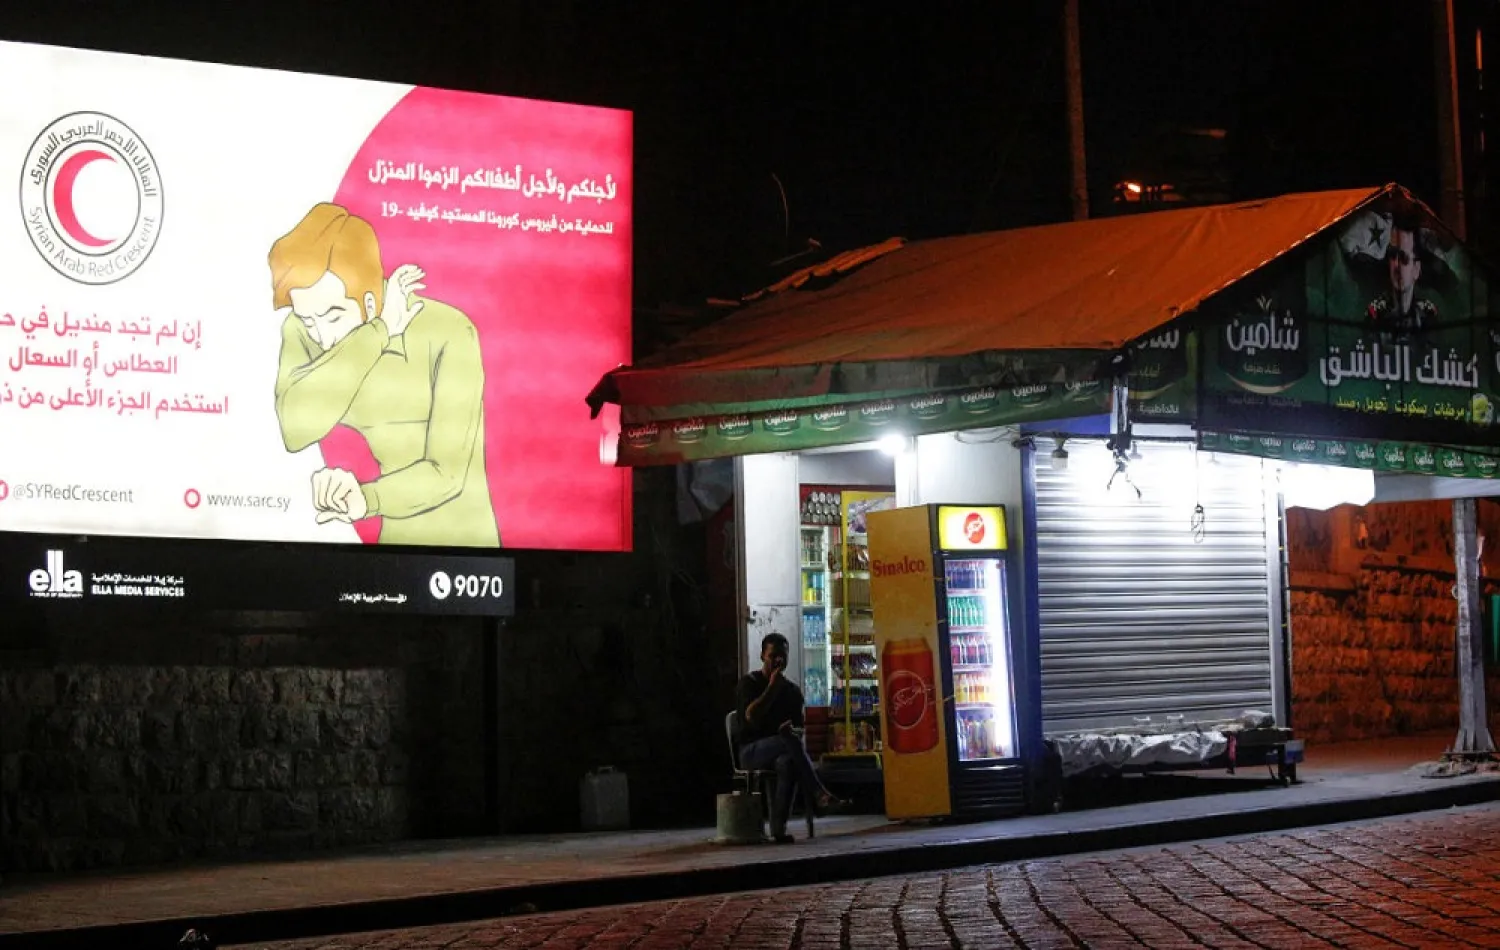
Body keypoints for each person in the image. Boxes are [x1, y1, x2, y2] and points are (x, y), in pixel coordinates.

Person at [267, 203, 499, 546]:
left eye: (333, 317)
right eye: (309, 320)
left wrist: (365, 499)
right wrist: (376, 334)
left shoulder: (449, 332)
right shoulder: (303, 326)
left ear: (374, 302)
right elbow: (295, 429)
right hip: (390, 548)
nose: (322, 337)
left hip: (467, 547)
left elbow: (446, 473)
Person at [735, 632, 845, 842]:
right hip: (751, 751)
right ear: (762, 656)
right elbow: (750, 717)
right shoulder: (748, 683)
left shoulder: (792, 691)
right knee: (788, 742)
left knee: (788, 762)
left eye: (783, 656)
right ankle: (819, 794)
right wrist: (771, 688)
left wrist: (792, 732)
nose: (778, 661)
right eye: (773, 655)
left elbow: (799, 730)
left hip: (784, 749)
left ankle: (778, 829)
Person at [1368, 211, 1436, 333]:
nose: (1396, 265)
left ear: (1416, 269)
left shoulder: (1428, 315)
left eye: (1404, 258)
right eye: (1393, 256)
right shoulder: (1375, 314)